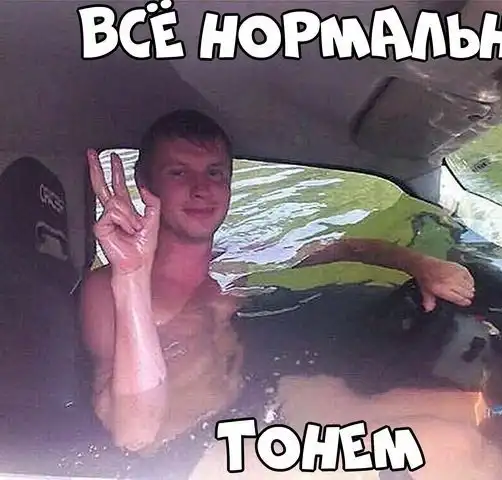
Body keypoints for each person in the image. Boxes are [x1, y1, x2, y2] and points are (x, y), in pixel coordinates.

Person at [80, 109, 476, 465]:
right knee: (457, 449)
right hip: (181, 454)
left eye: (214, 173)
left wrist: (423, 266)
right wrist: (131, 275)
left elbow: (346, 248)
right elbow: (133, 434)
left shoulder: (236, 264)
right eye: (179, 173)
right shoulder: (113, 288)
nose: (202, 189)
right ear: (145, 184)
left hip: (248, 409)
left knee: (474, 411)